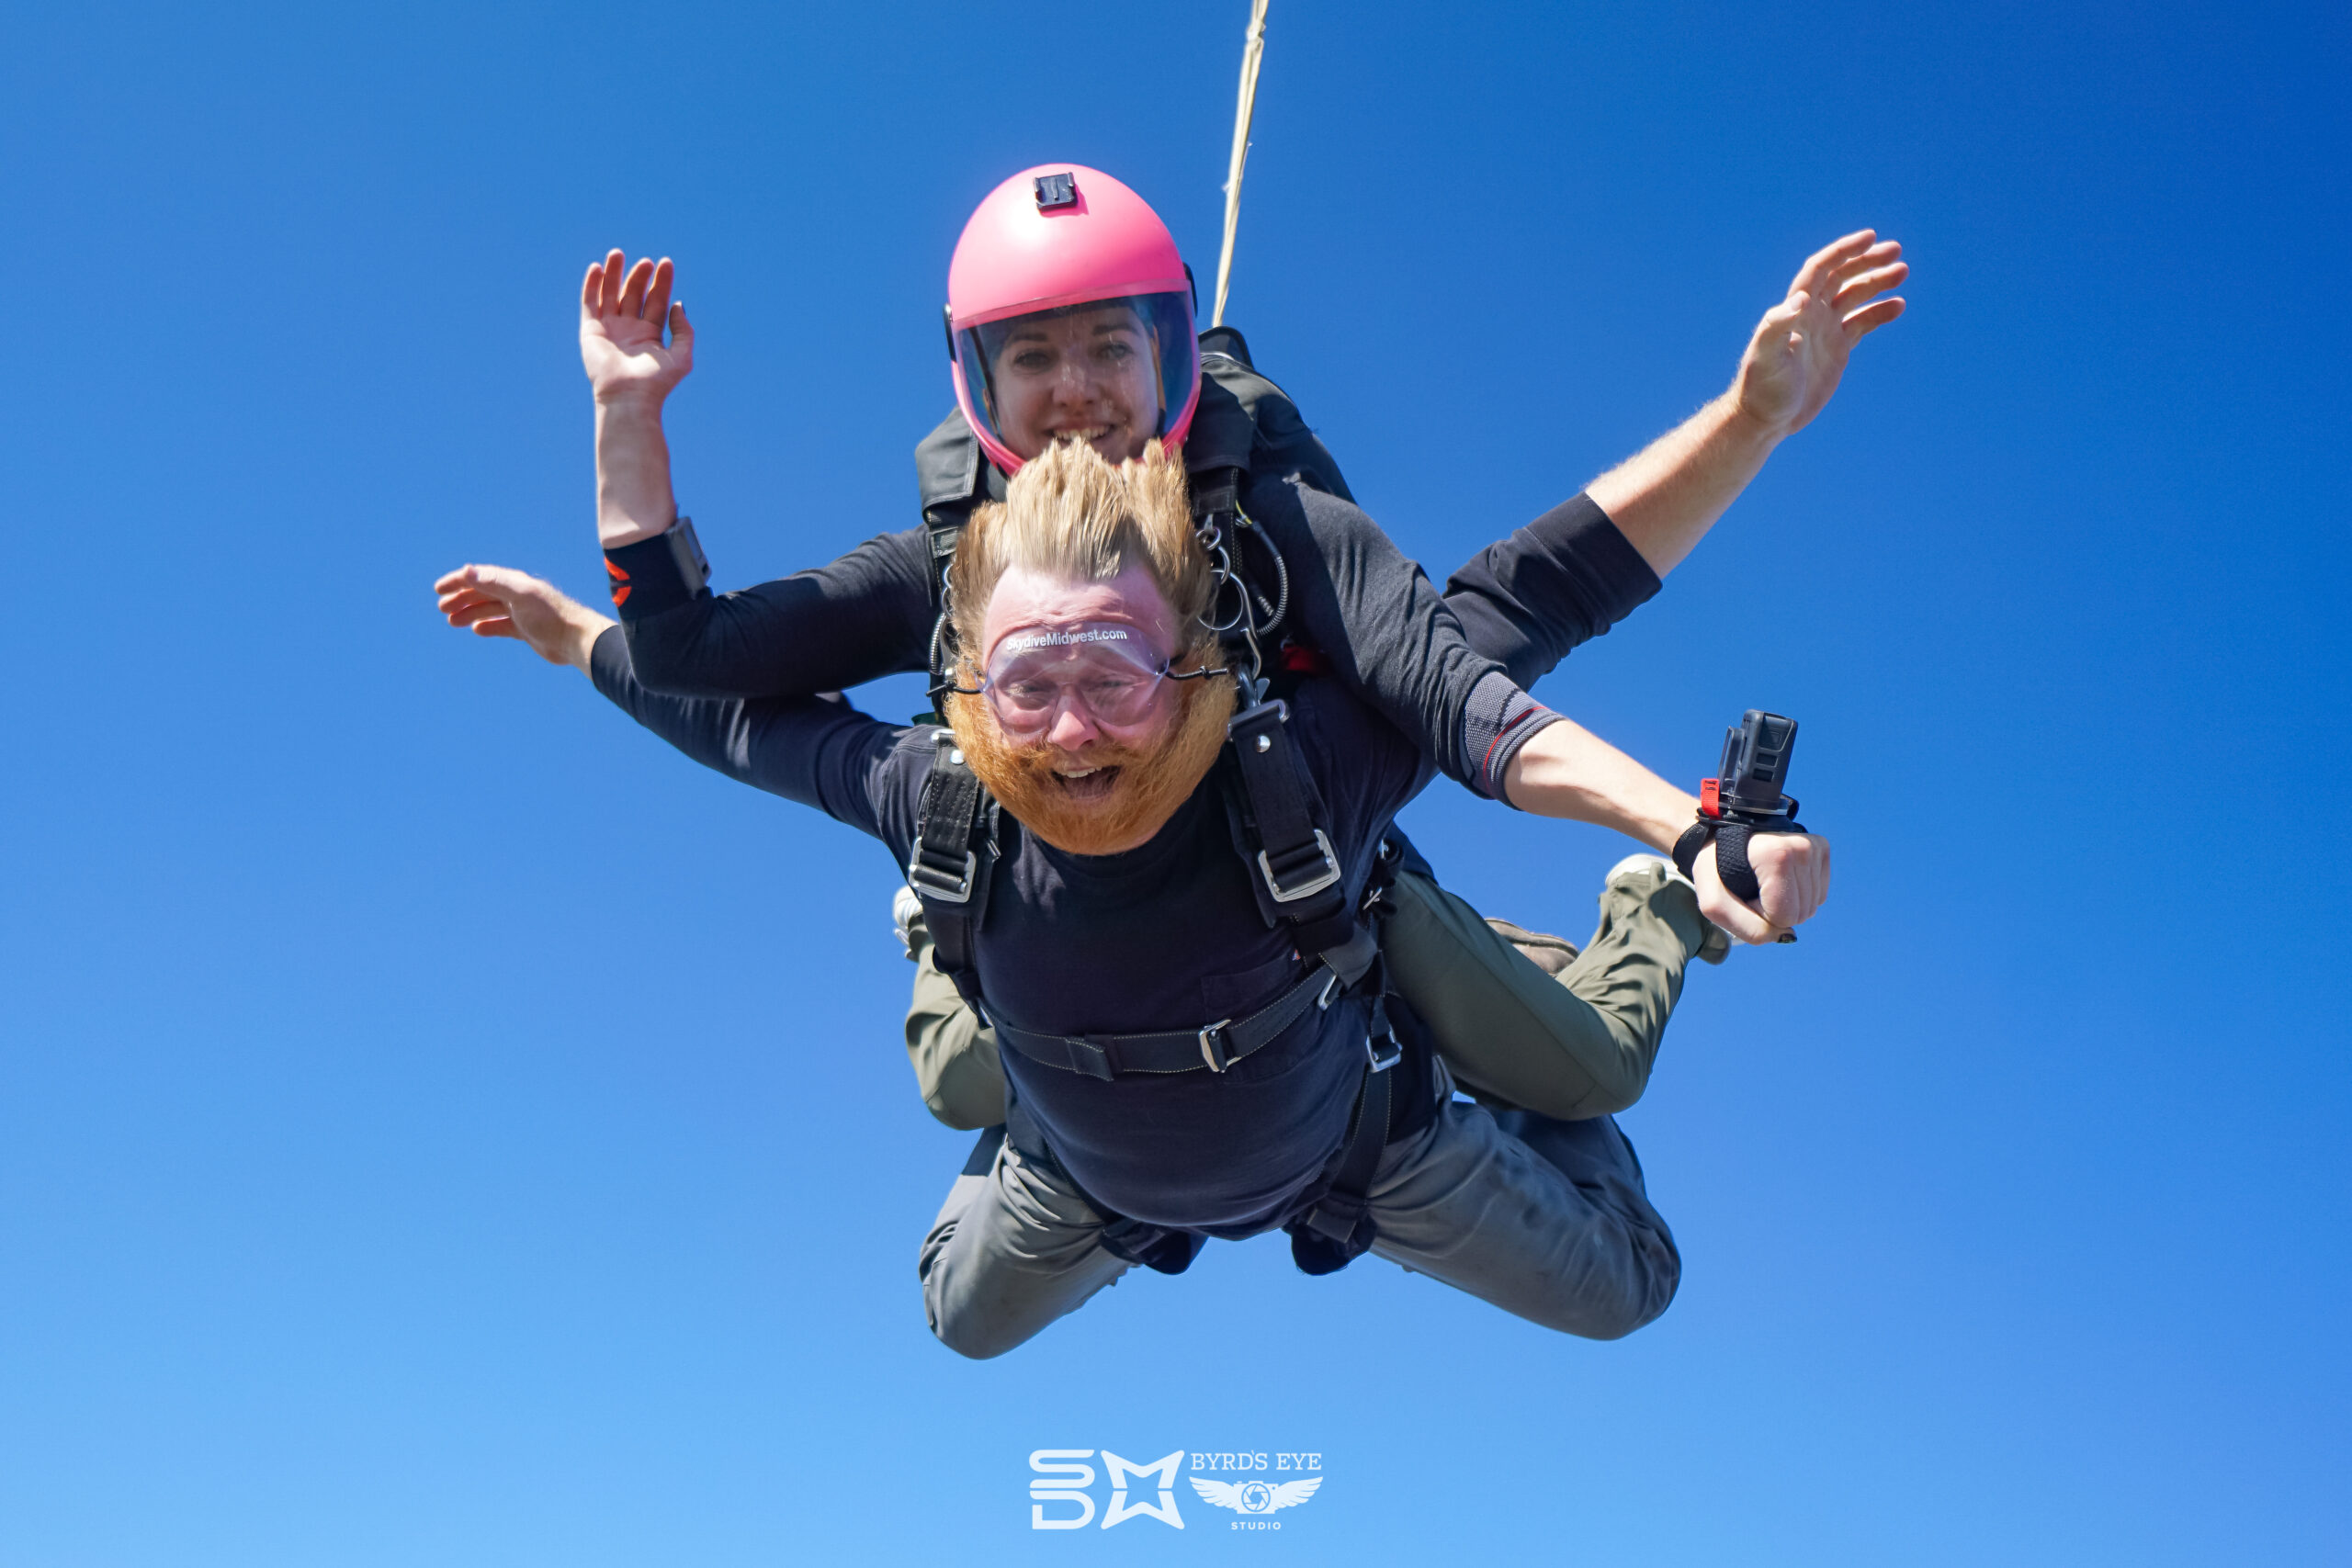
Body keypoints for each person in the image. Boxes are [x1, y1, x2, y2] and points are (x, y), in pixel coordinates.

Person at [439, 164, 1894, 1128]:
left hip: (1311, 889)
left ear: (1172, 357)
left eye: (1108, 349)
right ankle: (959, 954)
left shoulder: (1276, 534)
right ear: (979, 386)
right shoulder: (952, 570)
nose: (1075, 391)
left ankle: (1639, 921)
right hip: (1066, 928)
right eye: (1033, 357)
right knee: (961, 1082)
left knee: (1584, 1077)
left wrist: (1693, 833)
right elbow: (706, 662)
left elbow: (1476, 668)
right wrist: (623, 438)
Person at [438, 438, 1805, 1355]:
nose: (1079, 734)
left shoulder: (1303, 776)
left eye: (1119, 677)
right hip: (1093, 1158)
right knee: (959, 1319)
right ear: (970, 696)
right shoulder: (944, 799)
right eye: (1032, 687)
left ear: (1201, 670)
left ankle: (1493, 1011)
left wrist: (1750, 425)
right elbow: (737, 727)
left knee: (1630, 1275)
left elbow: (1522, 604)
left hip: (1360, 1134)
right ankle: (987, 1005)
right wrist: (580, 641)